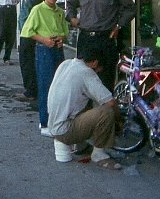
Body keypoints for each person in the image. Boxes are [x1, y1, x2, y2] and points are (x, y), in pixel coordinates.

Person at [43, 42, 121, 170]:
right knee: (106, 112)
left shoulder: (66, 64)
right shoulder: (86, 73)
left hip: (53, 123)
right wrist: (119, 120)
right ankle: (99, 154)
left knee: (86, 101)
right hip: (65, 130)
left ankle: (80, 146)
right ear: (95, 63)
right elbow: (110, 102)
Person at [66, 0, 135, 91]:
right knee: (82, 77)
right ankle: (85, 111)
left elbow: (131, 8)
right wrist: (72, 18)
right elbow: (70, 4)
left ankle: (105, 110)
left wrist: (119, 26)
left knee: (106, 78)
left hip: (106, 39)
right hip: (86, 39)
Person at [20, 0, 69, 130]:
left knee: (59, 85)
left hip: (57, 48)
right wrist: (44, 40)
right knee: (45, 85)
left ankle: (57, 119)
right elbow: (27, 31)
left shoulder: (60, 12)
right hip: (44, 49)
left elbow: (65, 32)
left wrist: (61, 38)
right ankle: (45, 121)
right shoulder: (38, 10)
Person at [16, 0, 46, 102]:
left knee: (27, 59)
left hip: (31, 28)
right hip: (26, 27)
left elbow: (32, 3)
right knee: (26, 59)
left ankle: (31, 90)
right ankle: (31, 89)